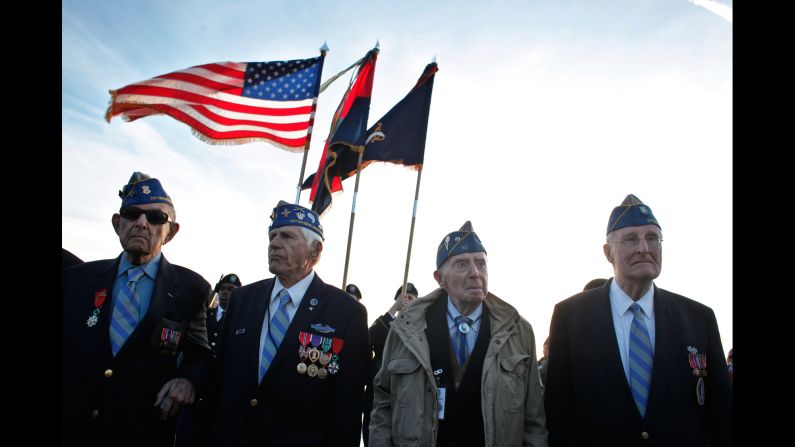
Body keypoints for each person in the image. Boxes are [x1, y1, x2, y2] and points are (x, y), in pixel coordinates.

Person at [544, 194, 732, 446]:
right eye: (631, 239)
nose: (644, 248)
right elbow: (558, 415)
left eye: (652, 238)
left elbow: (721, 415)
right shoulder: (570, 317)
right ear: (608, 252)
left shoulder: (698, 319)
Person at [62, 172, 213, 447]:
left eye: (156, 218)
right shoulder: (76, 280)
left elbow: (201, 354)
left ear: (171, 232)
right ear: (118, 224)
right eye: (132, 214)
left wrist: (187, 380)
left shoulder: (191, 289)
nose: (142, 224)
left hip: (141, 432)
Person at [369, 221, 548, 447]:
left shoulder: (518, 332)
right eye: (462, 265)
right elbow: (383, 405)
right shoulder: (406, 330)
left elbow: (534, 421)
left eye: (481, 264)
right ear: (439, 278)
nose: (475, 273)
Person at [209, 201, 369, 446]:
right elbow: (218, 380)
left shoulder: (346, 313)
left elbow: (347, 407)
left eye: (287, 237)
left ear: (315, 251)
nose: (274, 243)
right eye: (272, 236)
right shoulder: (243, 299)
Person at [362, 282, 419, 446]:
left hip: (406, 387)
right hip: (379, 385)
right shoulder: (387, 324)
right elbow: (369, 338)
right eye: (404, 298)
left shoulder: (421, 327)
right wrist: (394, 308)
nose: (407, 300)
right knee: (374, 428)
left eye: (411, 298)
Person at [207, 273, 243, 350]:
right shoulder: (206, 314)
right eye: (222, 288)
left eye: (230, 289)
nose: (225, 292)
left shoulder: (241, 319)